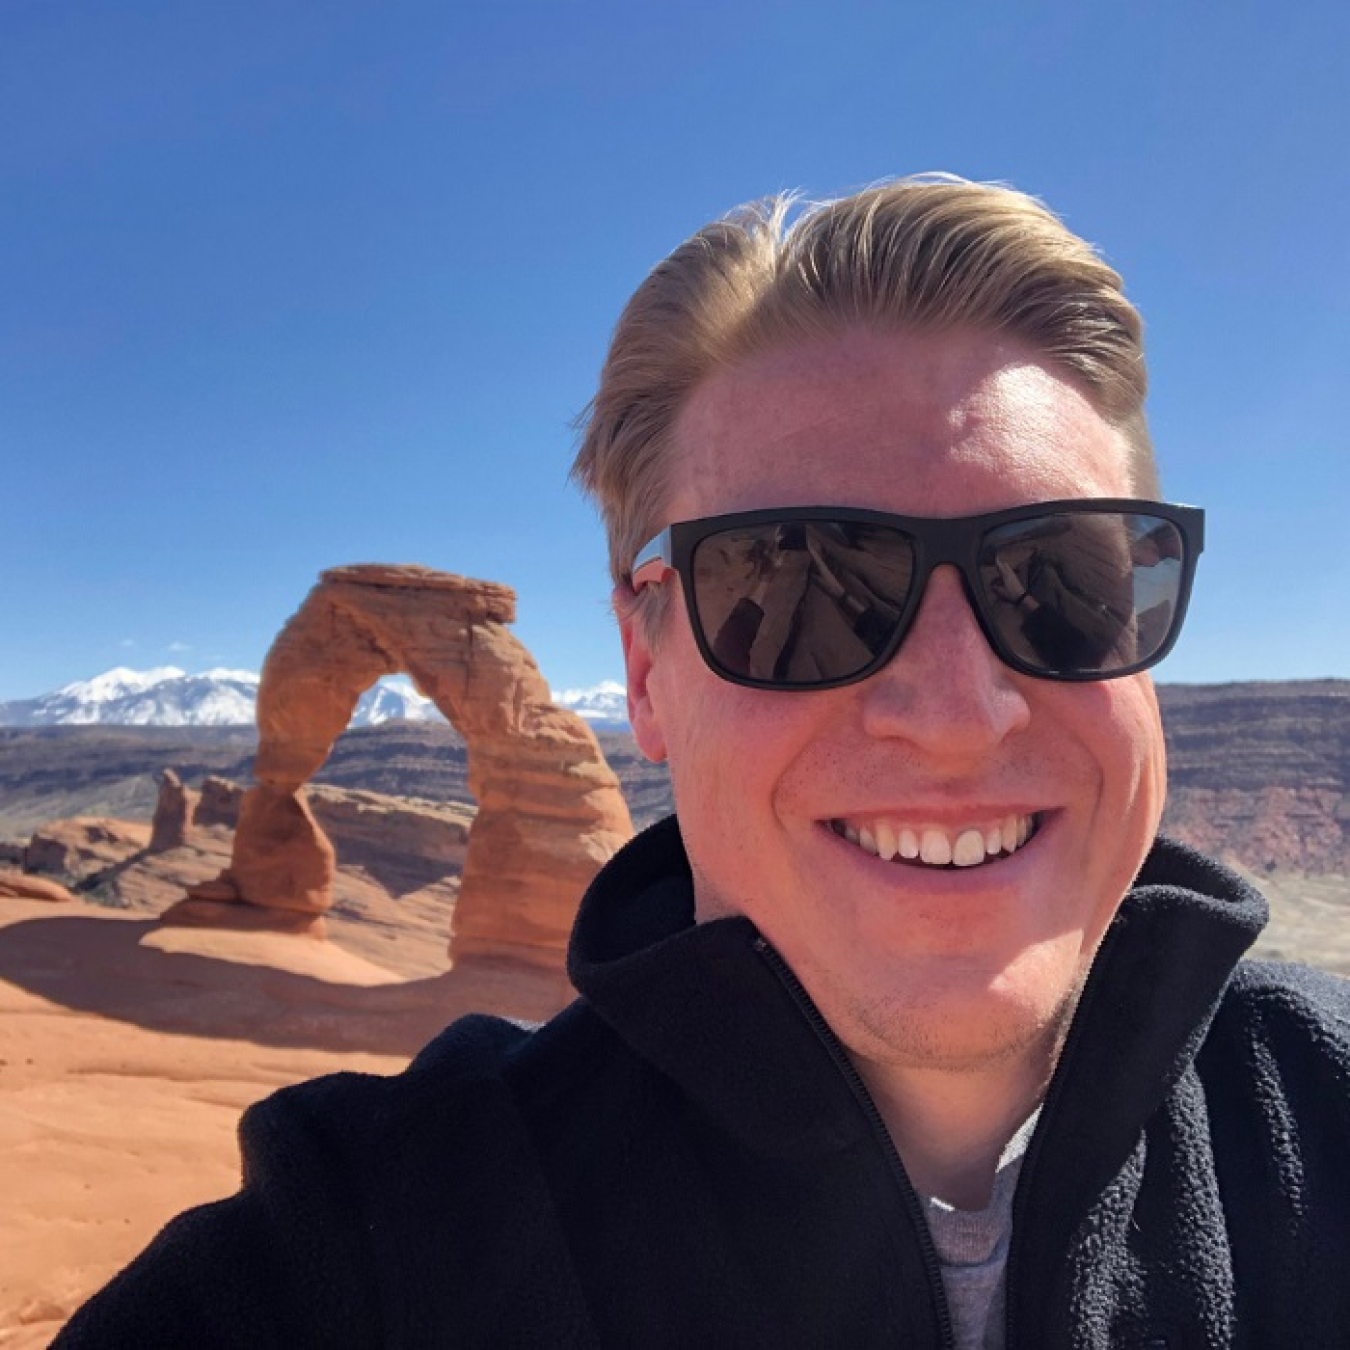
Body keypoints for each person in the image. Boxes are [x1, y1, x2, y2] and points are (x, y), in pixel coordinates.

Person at [57, 178, 1350, 1348]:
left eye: (1058, 583)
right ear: (641, 669)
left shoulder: (1324, 1116)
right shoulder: (373, 1243)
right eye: (797, 586)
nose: (958, 712)